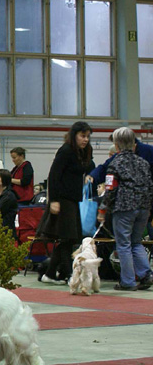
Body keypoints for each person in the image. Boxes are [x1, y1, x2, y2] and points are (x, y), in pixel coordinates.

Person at [37, 121, 95, 284]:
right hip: (62, 199)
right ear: (74, 135)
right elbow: (54, 176)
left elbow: (89, 167)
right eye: (82, 136)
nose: (85, 140)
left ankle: (49, 274)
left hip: (73, 199)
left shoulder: (83, 151)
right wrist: (54, 200)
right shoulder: (66, 151)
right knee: (66, 238)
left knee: (68, 239)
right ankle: (69, 275)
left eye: (88, 137)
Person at [97, 127, 153, 291]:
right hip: (143, 207)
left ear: (117, 145)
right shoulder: (144, 163)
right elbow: (150, 186)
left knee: (123, 245)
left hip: (124, 208)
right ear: (134, 144)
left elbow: (110, 189)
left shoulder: (114, 164)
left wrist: (102, 209)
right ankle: (146, 274)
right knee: (136, 243)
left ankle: (127, 281)